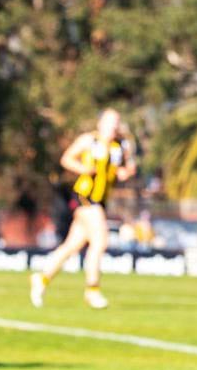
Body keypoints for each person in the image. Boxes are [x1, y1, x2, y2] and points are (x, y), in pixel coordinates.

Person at [30, 109, 135, 309]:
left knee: (71, 246)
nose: (113, 125)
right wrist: (83, 169)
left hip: (101, 200)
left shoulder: (119, 146)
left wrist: (125, 172)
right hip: (85, 196)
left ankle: (41, 279)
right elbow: (66, 159)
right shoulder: (90, 140)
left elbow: (124, 169)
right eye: (110, 121)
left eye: (116, 121)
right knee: (100, 241)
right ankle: (92, 290)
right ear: (100, 123)